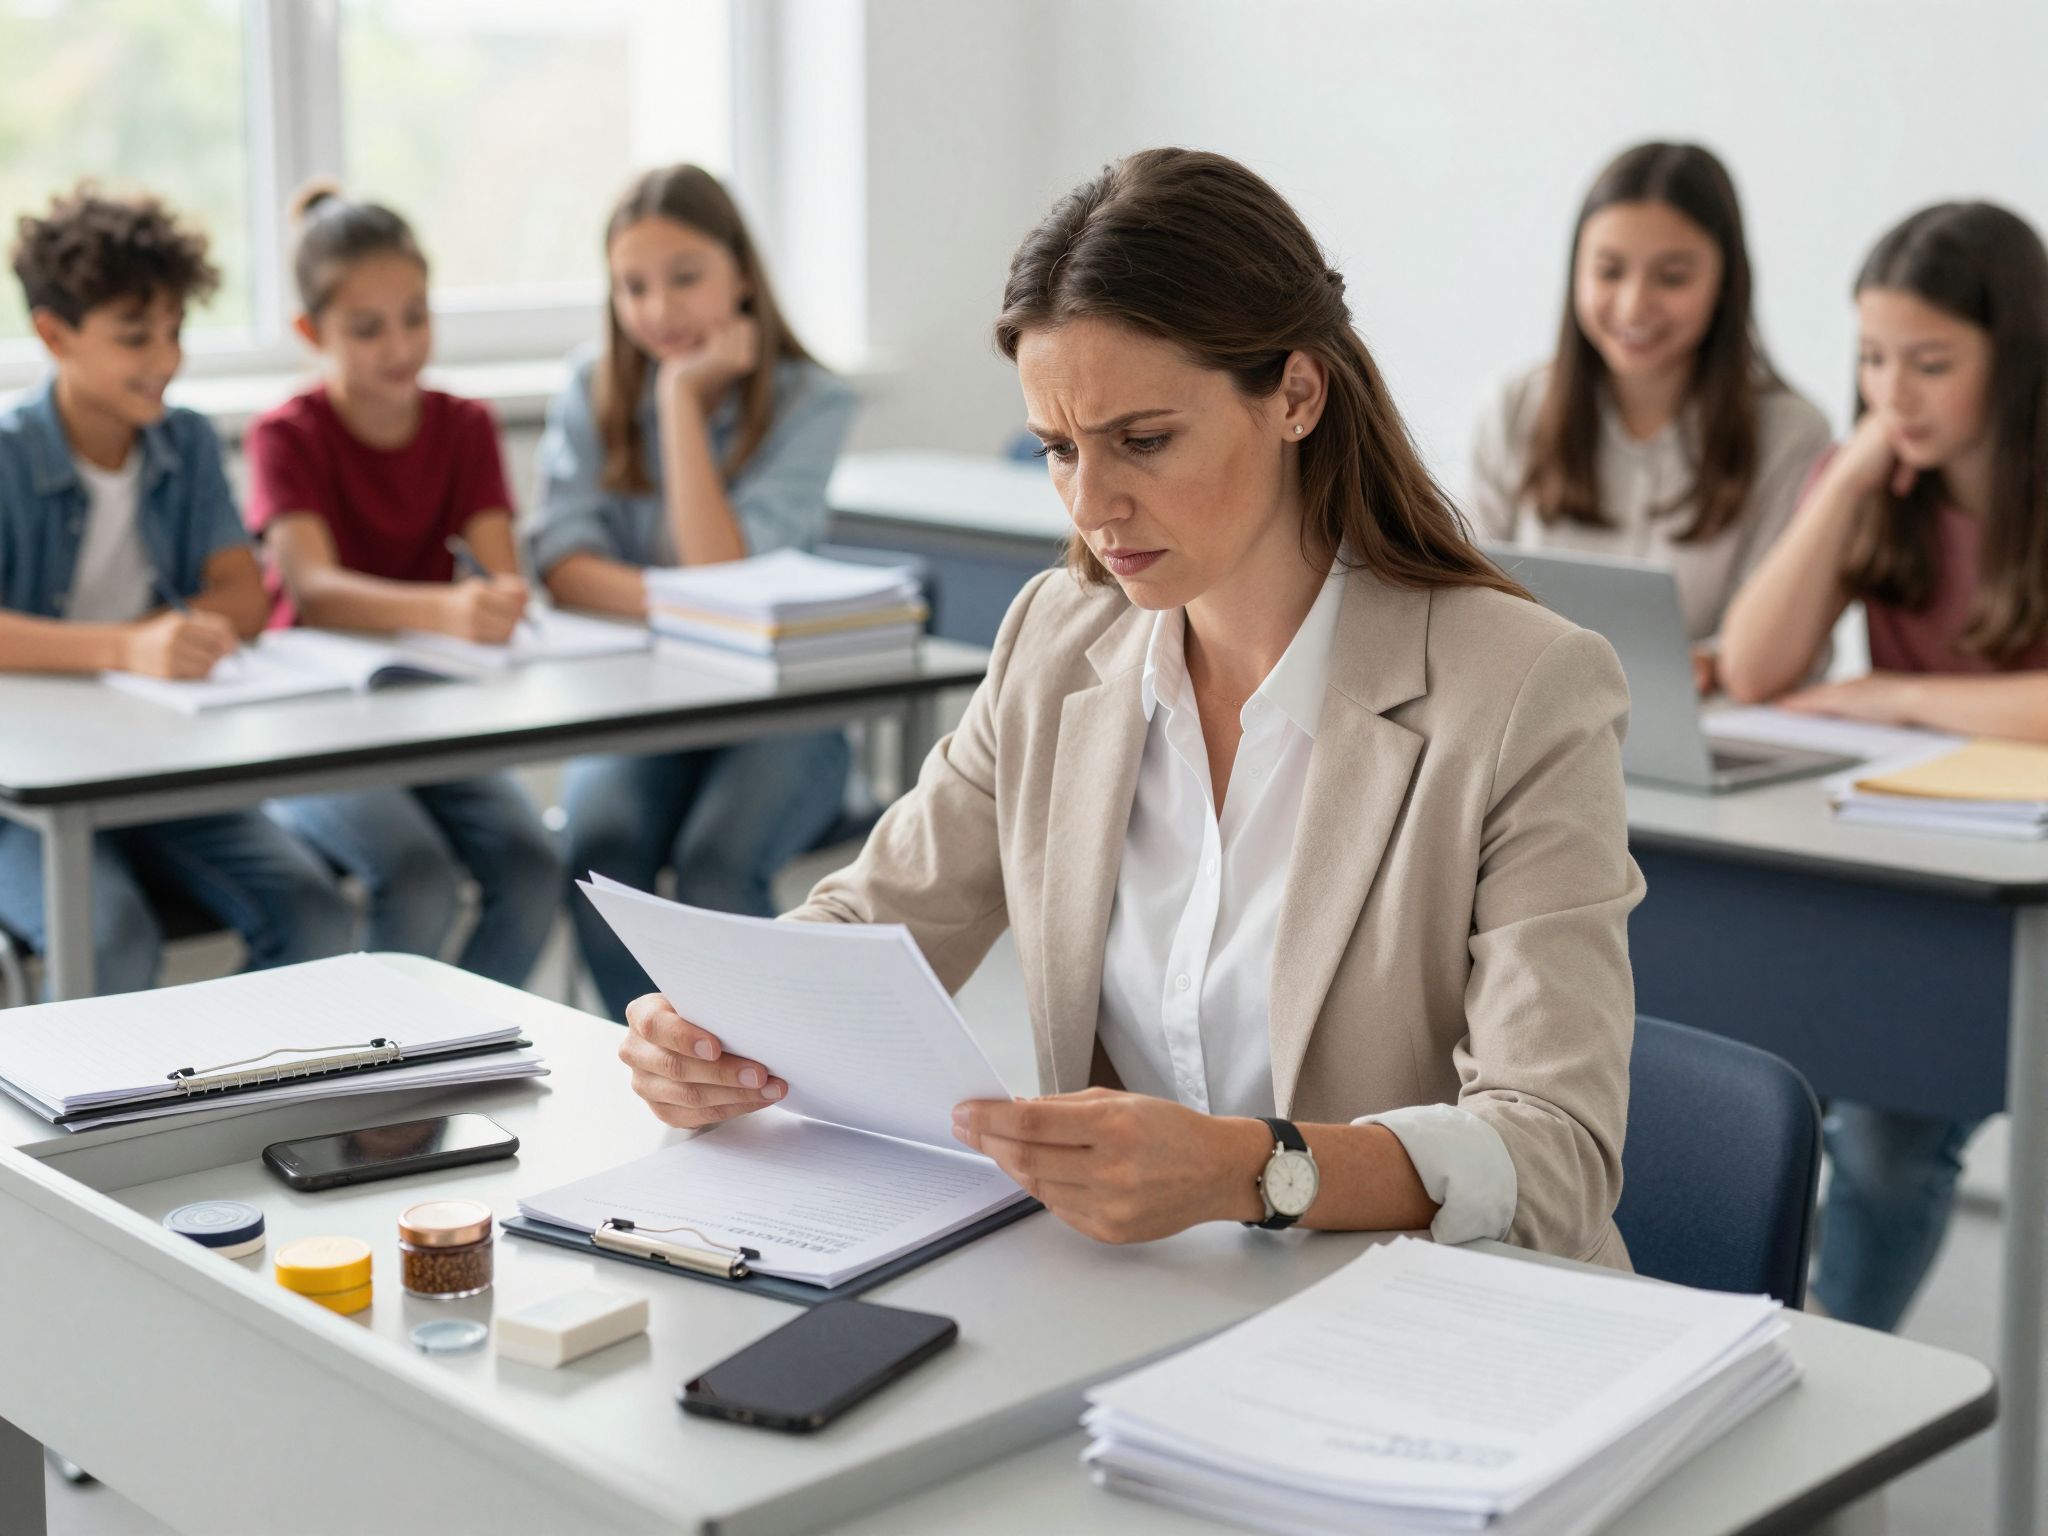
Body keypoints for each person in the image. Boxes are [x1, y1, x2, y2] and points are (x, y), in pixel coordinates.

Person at [617, 149, 1645, 1262]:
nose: (1091, 504)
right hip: (1135, 1305)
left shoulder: (1522, 689)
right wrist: (720, 1030)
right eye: (1058, 449)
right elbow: (869, 923)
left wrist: (1246, 1167)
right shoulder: (1056, 639)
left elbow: (1555, 1151)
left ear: (1295, 395)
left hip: (1417, 1328)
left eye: (1141, 442)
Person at [1721, 201, 2048, 1328]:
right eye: (1869, 358)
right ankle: (1724, 1354)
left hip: (2001, 898)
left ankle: (1835, 1377)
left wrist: (1900, 694)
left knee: (1887, 1141)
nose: (1891, 390)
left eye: (1928, 363)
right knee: (1748, 1074)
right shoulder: (1874, 475)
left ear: (2013, 362)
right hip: (1892, 867)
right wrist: (1852, 476)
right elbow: (1756, 666)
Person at [0, 185, 350, 993]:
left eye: (175, 331)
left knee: (314, 911)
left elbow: (244, 594)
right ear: (54, 334)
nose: (165, 359)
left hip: (151, 770)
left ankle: (236, 1113)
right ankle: (124, 1124)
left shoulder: (183, 441)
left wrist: (182, 632)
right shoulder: (12, 454)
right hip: (25, 797)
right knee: (111, 938)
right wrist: (127, 645)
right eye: (134, 337)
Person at [529, 164, 858, 1018]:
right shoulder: (588, 388)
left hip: (784, 712)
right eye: (633, 287)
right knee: (600, 856)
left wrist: (680, 399)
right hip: (647, 707)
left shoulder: (812, 400)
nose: (659, 310)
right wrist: (699, 605)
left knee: (716, 865)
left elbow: (721, 574)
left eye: (685, 278)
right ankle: (660, 1070)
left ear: (741, 273)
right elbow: (565, 568)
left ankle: (772, 1082)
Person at [245, 183, 562, 987]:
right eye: (367, 327)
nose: (400, 345)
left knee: (532, 866)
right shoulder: (284, 434)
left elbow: (502, 572)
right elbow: (313, 589)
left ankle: (440, 1085)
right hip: (311, 724)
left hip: (429, 714)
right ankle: (375, 1106)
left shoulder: (465, 425)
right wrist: (452, 608)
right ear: (311, 332)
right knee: (414, 875)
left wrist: (495, 599)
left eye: (415, 317)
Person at [1470, 142, 1830, 695]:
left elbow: (1777, 648)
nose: (1635, 305)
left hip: (1712, 730)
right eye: (1609, 271)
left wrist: (1710, 662)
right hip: (1530, 723)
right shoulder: (1515, 408)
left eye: (1672, 277)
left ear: (1724, 283)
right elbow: (1465, 600)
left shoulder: (1790, 435)